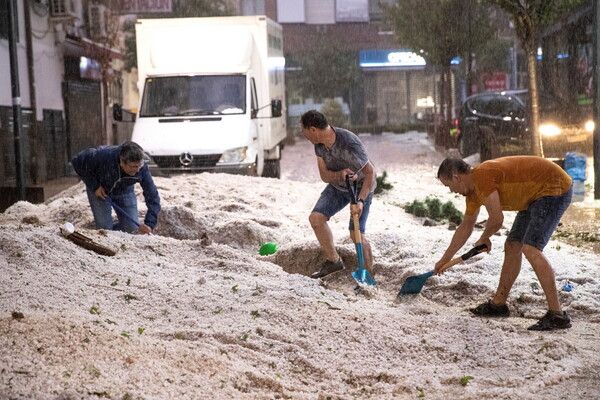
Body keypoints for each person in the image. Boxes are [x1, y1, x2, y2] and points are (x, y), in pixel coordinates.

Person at [435, 156, 573, 331]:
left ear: (456, 177)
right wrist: (445, 260)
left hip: (553, 187)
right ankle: (498, 305)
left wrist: (484, 237)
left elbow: (497, 219)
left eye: (448, 186)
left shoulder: (482, 176)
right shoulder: (472, 193)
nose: (451, 191)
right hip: (533, 196)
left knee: (531, 247)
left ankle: (557, 315)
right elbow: (466, 226)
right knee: (513, 245)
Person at [300, 110, 376, 279]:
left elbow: (371, 174)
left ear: (313, 129)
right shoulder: (318, 145)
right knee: (316, 219)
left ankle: (368, 275)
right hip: (338, 187)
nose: (304, 136)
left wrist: (361, 201)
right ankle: (333, 261)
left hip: (361, 186)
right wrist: (340, 174)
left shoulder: (348, 142)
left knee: (356, 233)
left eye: (304, 131)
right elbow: (324, 176)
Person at [71, 141, 161, 235]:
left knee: (131, 229)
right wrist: (95, 186)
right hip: (100, 189)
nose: (138, 170)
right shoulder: (103, 155)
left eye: (139, 165)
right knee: (104, 229)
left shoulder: (142, 168)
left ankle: (115, 229)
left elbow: (152, 195)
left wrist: (150, 223)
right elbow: (77, 161)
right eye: (133, 167)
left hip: (124, 190)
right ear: (122, 162)